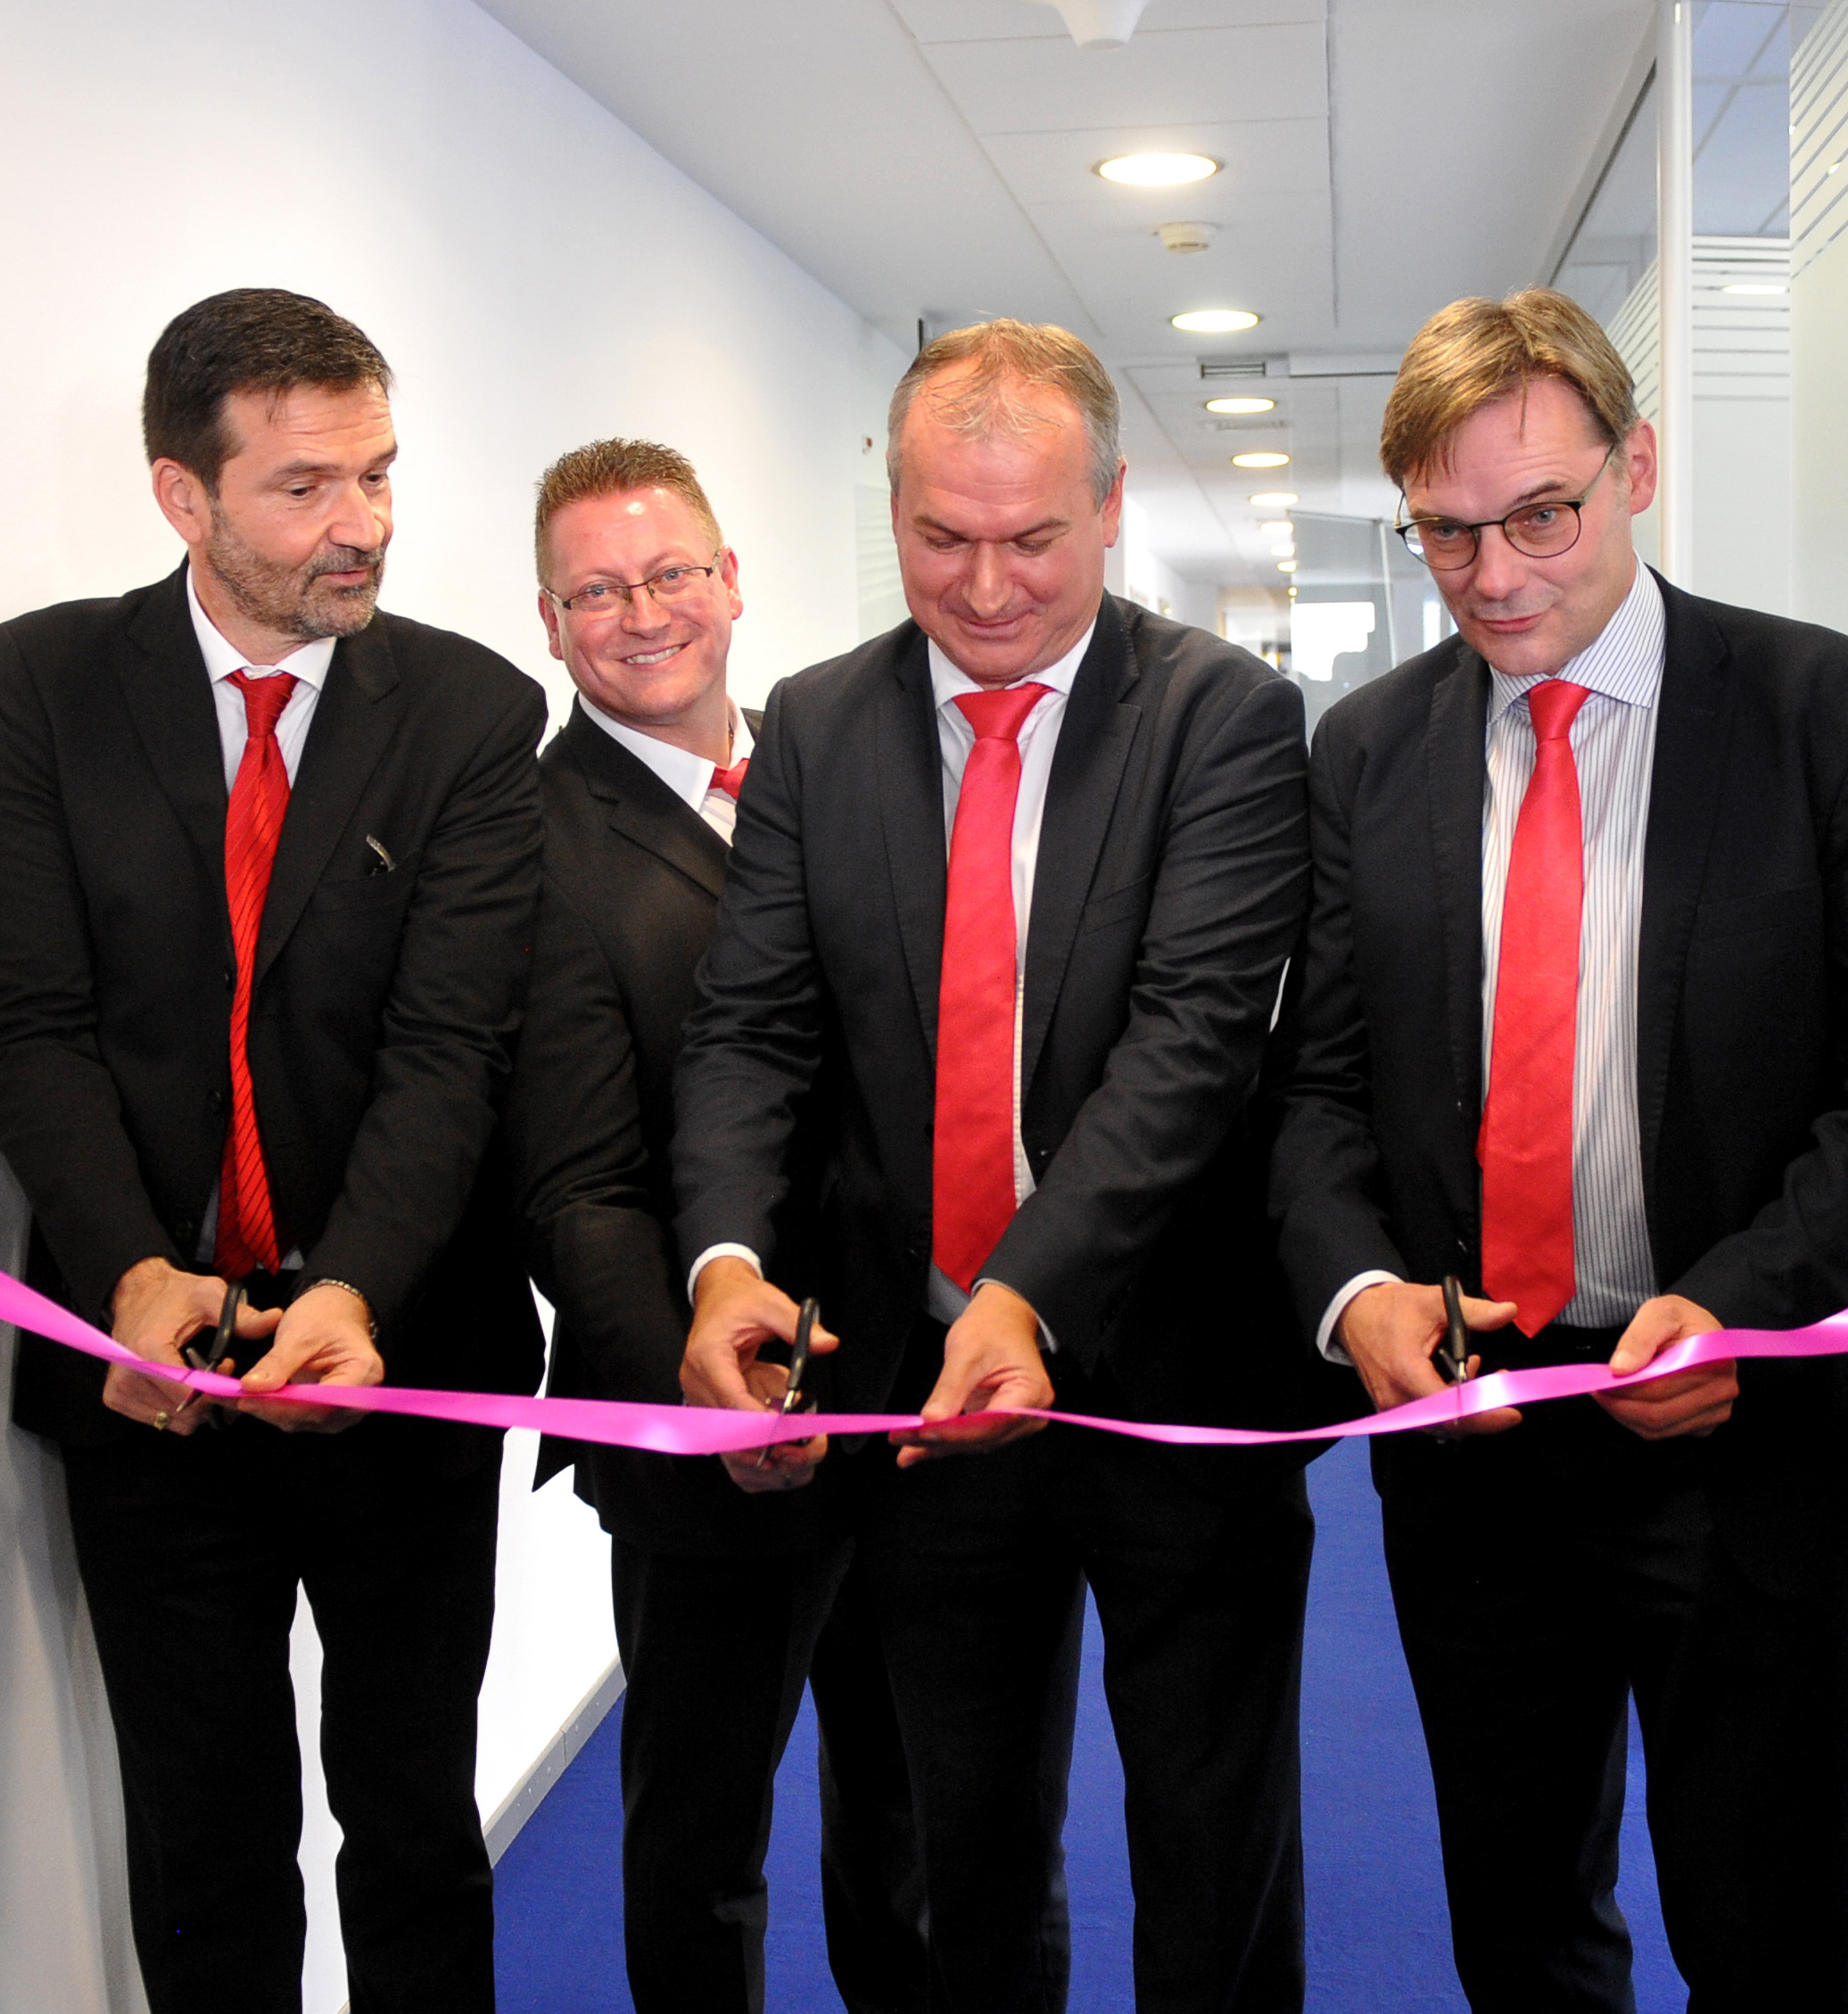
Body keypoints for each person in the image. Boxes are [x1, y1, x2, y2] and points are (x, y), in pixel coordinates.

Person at [1269, 288, 1848, 2010]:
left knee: (1764, 1926)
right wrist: (1357, 1290)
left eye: (1539, 514)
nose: (1493, 574)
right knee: (1518, 1921)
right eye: (1443, 532)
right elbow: (1318, 1090)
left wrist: (1741, 1304)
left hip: (1741, 1443)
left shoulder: (1837, 720)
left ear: (1634, 466)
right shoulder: (1366, 749)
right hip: (1476, 1430)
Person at [672, 320, 1317, 2012]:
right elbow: (749, 1029)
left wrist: (1025, 1292)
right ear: (888, 508)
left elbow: (1192, 1042)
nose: (982, 586)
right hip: (919, 1383)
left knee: (1210, 1849)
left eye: (1029, 537)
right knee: (958, 1852)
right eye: (937, 536)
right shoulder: (818, 723)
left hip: (1176, 1376)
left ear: (1109, 505)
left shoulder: (1222, 717)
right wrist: (725, 1265)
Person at [0, 287, 545, 2014]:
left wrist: (352, 1288)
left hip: (399, 1355)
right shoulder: (50, 683)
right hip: (149, 1372)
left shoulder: (469, 711)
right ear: (182, 495)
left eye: (377, 473)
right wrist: (130, 1274)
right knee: (206, 1844)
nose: (360, 522)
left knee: (413, 1824)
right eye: (303, 486)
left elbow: (449, 1052)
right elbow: (33, 1025)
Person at [506, 436, 1078, 2013]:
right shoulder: (531, 848)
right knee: (703, 1841)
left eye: (672, 572)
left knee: (924, 1823)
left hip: (920, 1394)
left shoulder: (841, 763)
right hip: (707, 1422)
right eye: (597, 591)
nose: (644, 615)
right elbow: (572, 1181)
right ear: (547, 621)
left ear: (732, 579)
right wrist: (697, 1378)